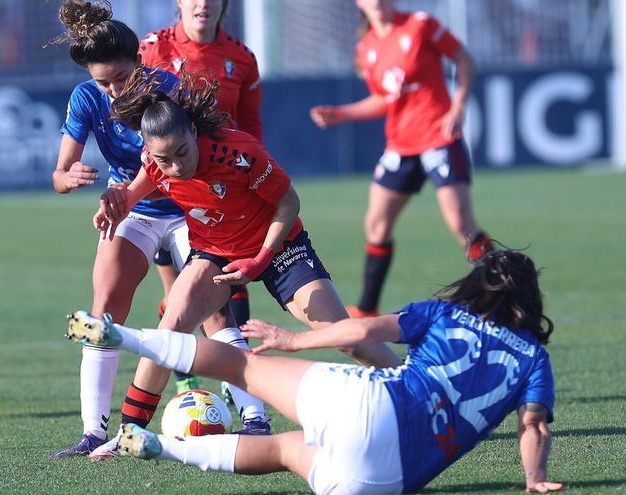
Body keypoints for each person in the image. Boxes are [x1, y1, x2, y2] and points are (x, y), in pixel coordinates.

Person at [89, 66, 405, 456]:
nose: (175, 166)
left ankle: (420, 389)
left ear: (193, 130)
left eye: (182, 153)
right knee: (168, 332)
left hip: (279, 248)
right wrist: (116, 204)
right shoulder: (156, 160)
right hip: (215, 253)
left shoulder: (237, 152)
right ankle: (129, 434)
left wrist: (260, 258)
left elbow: (288, 202)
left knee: (340, 333)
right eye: (164, 159)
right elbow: (139, 187)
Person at [64, 250, 564, 494]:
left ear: (478, 288)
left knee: (240, 364)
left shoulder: (446, 314)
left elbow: (362, 332)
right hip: (382, 480)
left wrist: (294, 338)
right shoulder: (533, 360)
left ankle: (120, 335)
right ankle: (161, 447)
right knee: (284, 450)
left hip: (371, 403)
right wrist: (535, 478)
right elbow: (533, 426)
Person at [48, 0, 268, 460]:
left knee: (214, 315)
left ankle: (255, 417)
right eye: (101, 81)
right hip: (134, 211)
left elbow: (167, 166)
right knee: (105, 306)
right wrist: (69, 179)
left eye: (120, 78)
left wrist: (125, 193)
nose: (112, 90)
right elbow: (60, 173)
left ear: (139, 64)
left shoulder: (166, 88)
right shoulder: (87, 98)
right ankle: (93, 430)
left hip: (191, 207)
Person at [310, 0, 494, 319]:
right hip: (401, 145)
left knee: (460, 223)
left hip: (439, 137)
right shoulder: (367, 47)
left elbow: (464, 60)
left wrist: (457, 108)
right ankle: (366, 309)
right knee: (376, 224)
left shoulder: (420, 25)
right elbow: (384, 97)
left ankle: (505, 292)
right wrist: (342, 114)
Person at [139, 0, 264, 393]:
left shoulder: (241, 58)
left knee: (229, 286)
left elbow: (251, 131)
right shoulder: (152, 48)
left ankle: (241, 390)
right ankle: (187, 386)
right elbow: (131, 119)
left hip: (222, 195)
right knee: (177, 296)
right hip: (167, 194)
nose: (203, 3)